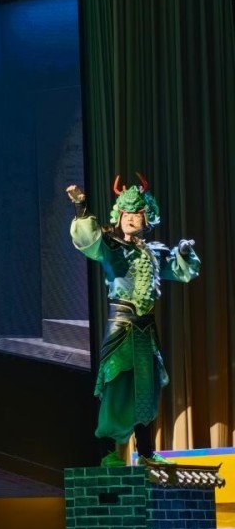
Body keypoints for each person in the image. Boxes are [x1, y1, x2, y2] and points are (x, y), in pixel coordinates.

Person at [66, 176, 200, 467]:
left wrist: (183, 252)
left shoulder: (154, 252)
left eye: (135, 214)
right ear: (118, 215)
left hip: (146, 331)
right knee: (116, 386)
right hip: (122, 327)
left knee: (146, 391)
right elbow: (88, 241)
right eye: (125, 213)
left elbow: (182, 271)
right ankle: (109, 453)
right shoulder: (111, 247)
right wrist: (81, 207)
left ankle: (147, 453)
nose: (129, 218)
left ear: (146, 218)